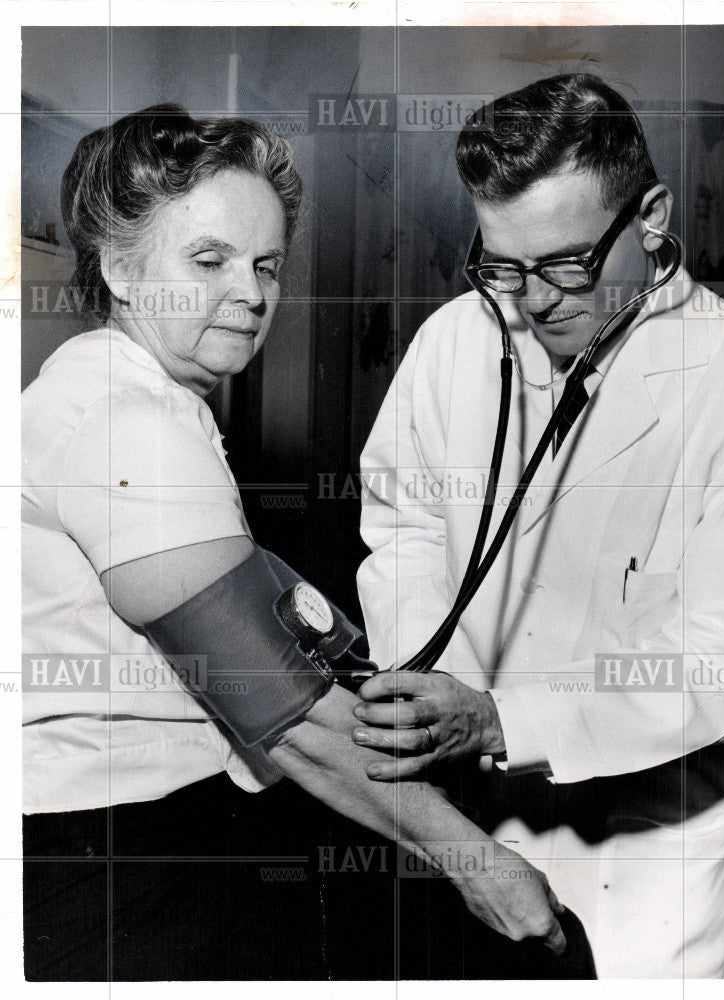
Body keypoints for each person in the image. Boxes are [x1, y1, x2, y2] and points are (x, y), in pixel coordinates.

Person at [21, 104, 567, 981]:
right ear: (120, 269)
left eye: (265, 264)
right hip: (123, 856)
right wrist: (479, 863)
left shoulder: (133, 400)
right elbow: (289, 715)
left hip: (155, 827)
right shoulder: (120, 423)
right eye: (209, 260)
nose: (251, 291)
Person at [354, 74, 724, 978]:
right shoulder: (454, 340)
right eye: (502, 265)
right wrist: (428, 694)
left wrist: (499, 721)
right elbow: (401, 527)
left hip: (652, 861)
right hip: (471, 830)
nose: (533, 300)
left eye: (565, 263)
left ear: (653, 216)